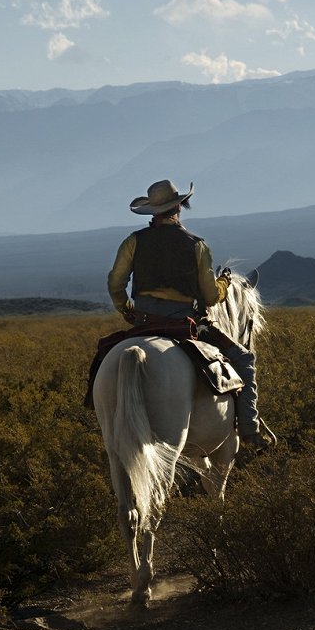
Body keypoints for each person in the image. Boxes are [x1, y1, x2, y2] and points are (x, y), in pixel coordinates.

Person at [107, 178, 275, 451]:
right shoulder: (196, 245)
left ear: (152, 211)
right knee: (244, 358)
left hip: (144, 322)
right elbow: (210, 297)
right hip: (183, 323)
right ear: (179, 208)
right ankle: (250, 430)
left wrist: (127, 310)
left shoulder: (133, 242)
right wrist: (224, 283)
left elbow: (115, 283)